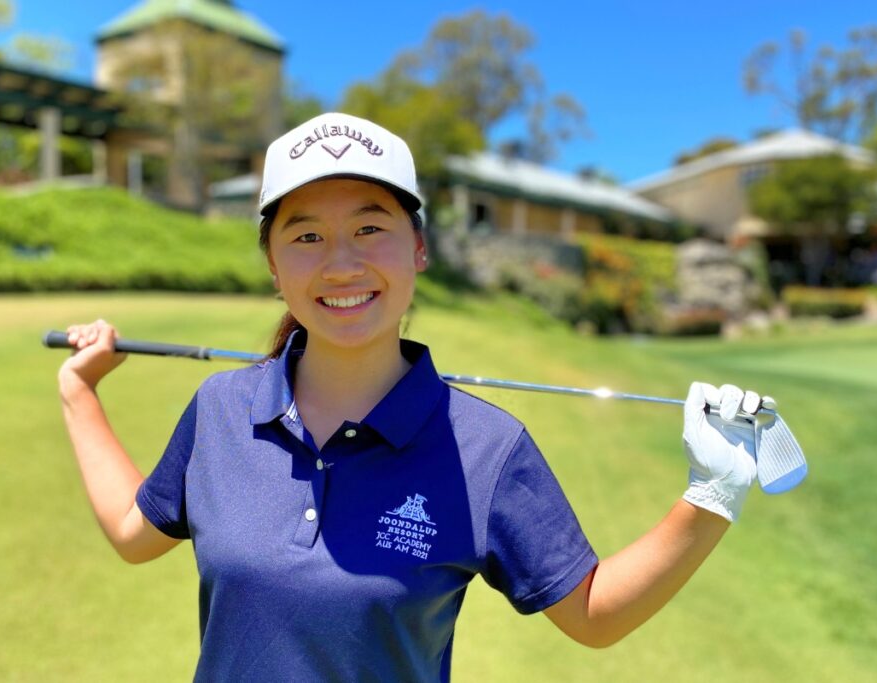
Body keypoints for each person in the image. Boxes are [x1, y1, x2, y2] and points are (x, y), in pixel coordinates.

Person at [58, 112, 765, 682]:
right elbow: (133, 531)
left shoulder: (486, 448)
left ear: (418, 249)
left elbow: (592, 612)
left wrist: (713, 494)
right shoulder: (219, 409)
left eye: (370, 227)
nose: (341, 261)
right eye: (306, 235)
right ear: (273, 263)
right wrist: (79, 391)